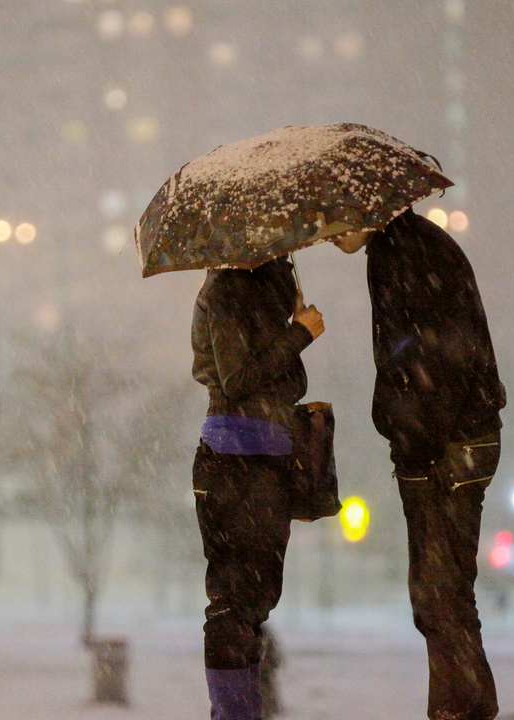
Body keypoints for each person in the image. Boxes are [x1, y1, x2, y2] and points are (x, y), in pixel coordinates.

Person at [332, 209, 506, 720]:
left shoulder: (401, 253)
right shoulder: (406, 245)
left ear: (364, 209)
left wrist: (415, 441)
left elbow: (428, 356)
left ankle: (462, 711)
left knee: (440, 597)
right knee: (443, 596)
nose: (328, 234)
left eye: (334, 220)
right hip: (455, 440)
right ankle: (463, 708)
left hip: (449, 445)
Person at [191, 254, 325, 720]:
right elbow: (236, 378)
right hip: (235, 458)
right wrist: (299, 333)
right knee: (234, 606)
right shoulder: (230, 288)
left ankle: (244, 711)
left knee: (254, 603)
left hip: (264, 457)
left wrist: (289, 315)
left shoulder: (260, 284)